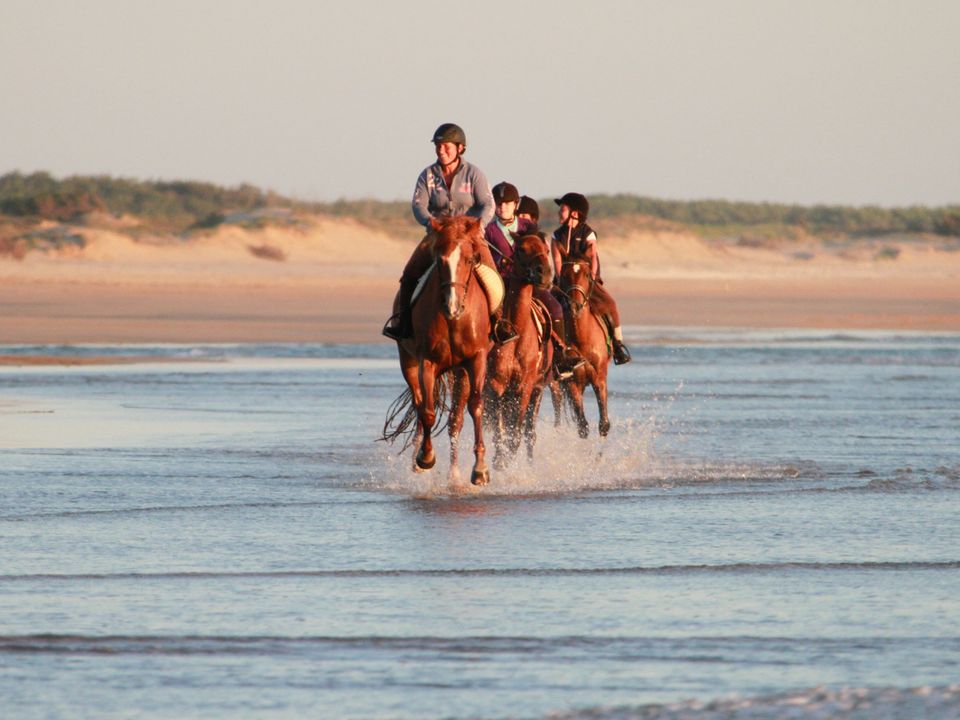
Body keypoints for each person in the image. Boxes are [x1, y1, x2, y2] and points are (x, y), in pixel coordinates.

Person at [383, 123, 515, 343]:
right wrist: (431, 223)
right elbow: (418, 205)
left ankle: (499, 323)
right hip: (439, 235)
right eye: (438, 147)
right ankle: (402, 323)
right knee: (409, 274)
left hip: (469, 235)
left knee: (492, 276)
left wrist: (478, 226)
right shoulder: (427, 175)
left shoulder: (474, 174)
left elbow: (487, 203)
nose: (441, 151)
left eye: (446, 147)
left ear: (460, 148)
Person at [485, 182, 583, 377]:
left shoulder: (528, 226)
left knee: (555, 307)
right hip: (500, 283)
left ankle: (561, 355)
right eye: (498, 203)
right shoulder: (487, 230)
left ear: (515, 204)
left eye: (507, 203)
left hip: (527, 282)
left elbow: (538, 251)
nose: (502, 207)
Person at [551, 192, 632, 365]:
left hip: (587, 282)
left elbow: (593, 259)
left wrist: (592, 279)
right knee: (548, 309)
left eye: (562, 210)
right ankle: (551, 353)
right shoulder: (556, 236)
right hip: (564, 284)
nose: (559, 213)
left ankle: (617, 345)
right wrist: (561, 281)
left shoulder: (588, 233)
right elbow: (557, 260)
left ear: (574, 213)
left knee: (610, 304)